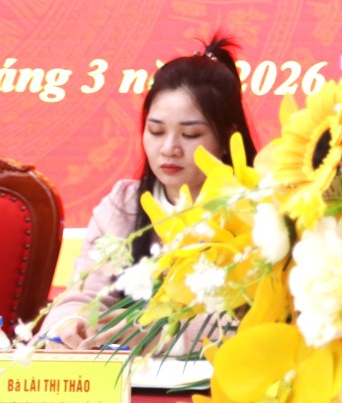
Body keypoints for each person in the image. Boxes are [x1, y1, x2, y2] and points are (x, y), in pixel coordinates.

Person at [39, 34, 258, 351]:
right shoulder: (125, 205)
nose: (169, 148)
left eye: (190, 134)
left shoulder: (257, 211)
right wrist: (70, 324)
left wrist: (158, 335)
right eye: (156, 131)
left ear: (227, 138)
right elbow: (84, 295)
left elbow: (251, 323)